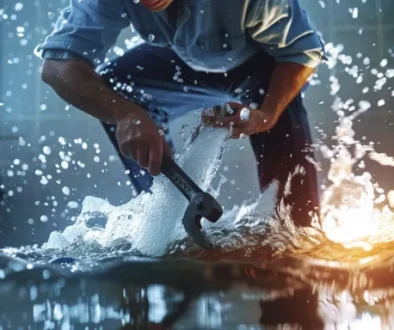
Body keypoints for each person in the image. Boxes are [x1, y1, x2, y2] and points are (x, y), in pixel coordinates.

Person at [38, 0, 325, 226]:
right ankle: (169, 219)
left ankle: (298, 231)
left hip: (264, 63)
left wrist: (267, 115)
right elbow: (56, 67)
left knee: (297, 220)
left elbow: (301, 53)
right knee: (115, 91)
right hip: (187, 60)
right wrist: (125, 114)